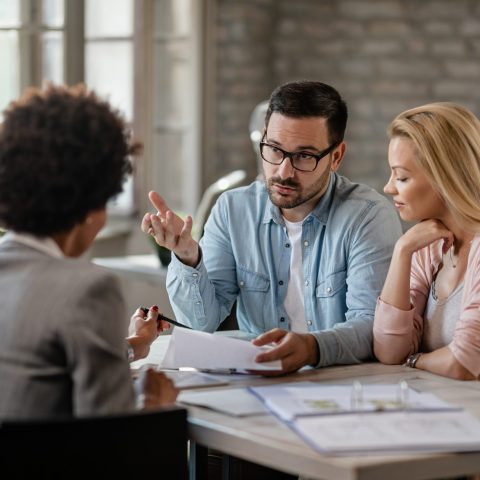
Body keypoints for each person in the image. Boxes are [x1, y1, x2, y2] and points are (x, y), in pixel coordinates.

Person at [142, 80, 402, 374]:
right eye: (275, 150)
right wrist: (187, 255)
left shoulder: (368, 217)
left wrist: (311, 348)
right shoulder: (233, 210)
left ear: (337, 157)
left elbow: (372, 326)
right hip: (259, 381)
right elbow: (202, 323)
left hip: (341, 384)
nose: (283, 172)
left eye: (304, 156)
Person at [0, 84, 178, 419]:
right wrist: (157, 407)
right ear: (90, 204)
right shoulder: (86, 290)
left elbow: (34, 364)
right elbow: (112, 445)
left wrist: (133, 345)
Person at [373, 102, 480, 381]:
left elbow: (463, 362)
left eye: (402, 176)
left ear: (444, 177)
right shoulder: (430, 246)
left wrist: (414, 359)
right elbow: (388, 350)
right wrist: (402, 251)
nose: (388, 187)